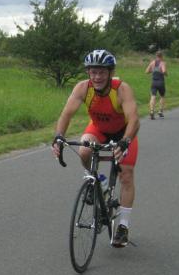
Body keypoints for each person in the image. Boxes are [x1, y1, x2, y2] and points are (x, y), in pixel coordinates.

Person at [51, 49, 140, 247]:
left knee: (126, 174)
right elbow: (66, 114)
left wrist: (125, 141)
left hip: (124, 132)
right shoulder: (83, 88)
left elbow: (134, 119)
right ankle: (99, 181)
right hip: (98, 129)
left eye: (101, 72)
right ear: (88, 73)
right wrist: (58, 137)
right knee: (84, 150)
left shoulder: (121, 89)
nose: (97, 77)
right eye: (93, 72)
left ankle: (123, 226)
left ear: (110, 72)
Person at [145, 50, 167, 119]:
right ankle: (160, 111)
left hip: (154, 82)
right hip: (160, 81)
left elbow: (146, 71)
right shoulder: (162, 63)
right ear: (162, 56)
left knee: (153, 96)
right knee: (162, 96)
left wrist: (153, 70)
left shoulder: (152, 62)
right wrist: (166, 74)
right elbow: (164, 71)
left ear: (156, 56)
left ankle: (152, 111)